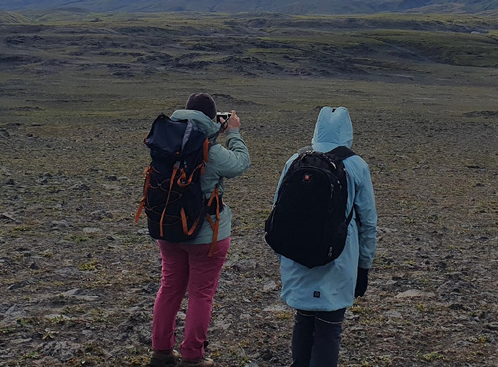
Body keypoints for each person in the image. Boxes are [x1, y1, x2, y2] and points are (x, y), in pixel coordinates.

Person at [149, 93, 251, 367]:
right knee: (200, 294)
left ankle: (160, 351)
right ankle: (192, 357)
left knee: (169, 287)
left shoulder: (165, 142)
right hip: (207, 235)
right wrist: (234, 132)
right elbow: (242, 163)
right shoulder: (211, 150)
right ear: (211, 119)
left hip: (167, 229)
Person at [276, 106, 377, 367]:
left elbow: (278, 212)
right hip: (339, 259)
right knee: (329, 329)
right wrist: (363, 266)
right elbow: (368, 223)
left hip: (298, 257)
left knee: (303, 320)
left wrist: (285, 255)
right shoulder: (357, 165)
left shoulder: (294, 161)